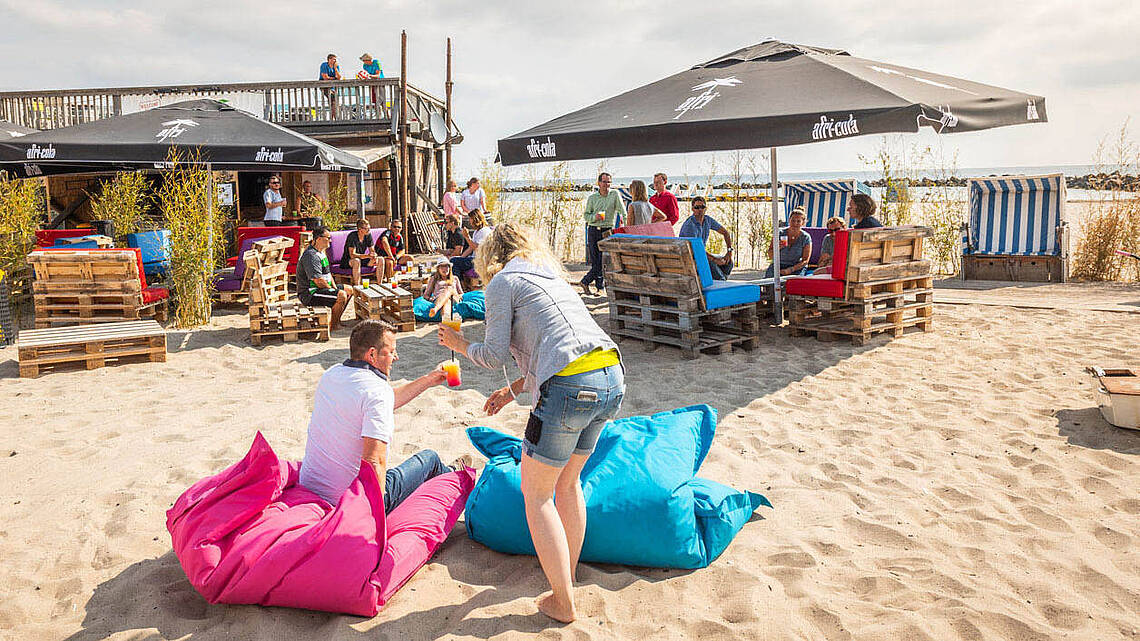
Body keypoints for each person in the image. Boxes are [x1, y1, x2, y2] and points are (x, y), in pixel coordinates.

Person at [439, 222, 624, 623]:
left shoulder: (502, 282)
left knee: (536, 495)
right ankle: (566, 576)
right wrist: (512, 392)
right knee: (568, 483)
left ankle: (563, 601)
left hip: (569, 386)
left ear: (489, 255)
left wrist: (457, 344)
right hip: (610, 376)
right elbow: (562, 347)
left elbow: (492, 355)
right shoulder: (550, 277)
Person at [299, 320, 468, 511]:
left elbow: (381, 401)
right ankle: (455, 475)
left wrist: (428, 380)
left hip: (310, 487)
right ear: (372, 354)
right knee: (430, 459)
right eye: (391, 351)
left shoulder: (332, 374)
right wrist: (374, 521)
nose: (396, 357)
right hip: (349, 502)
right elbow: (374, 461)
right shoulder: (378, 392)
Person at [578, 172, 623, 296]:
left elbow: (622, 211)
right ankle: (599, 287)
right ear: (599, 183)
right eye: (604, 181)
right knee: (596, 261)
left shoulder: (615, 194)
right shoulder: (592, 198)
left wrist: (627, 224)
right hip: (593, 230)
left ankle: (586, 282)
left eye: (609, 182)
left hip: (607, 231)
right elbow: (586, 216)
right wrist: (595, 217)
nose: (606, 184)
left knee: (603, 262)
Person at [297, 226, 349, 330]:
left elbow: (328, 275)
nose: (330, 240)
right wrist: (336, 291)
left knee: (349, 290)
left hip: (320, 288)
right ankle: (334, 326)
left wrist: (335, 289)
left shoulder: (321, 252)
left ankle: (336, 319)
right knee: (341, 295)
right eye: (328, 238)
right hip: (309, 293)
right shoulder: (311, 256)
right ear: (319, 239)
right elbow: (318, 281)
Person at [678, 196, 734, 280]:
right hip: (690, 257)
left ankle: (720, 281)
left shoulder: (707, 220)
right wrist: (715, 260)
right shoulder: (690, 226)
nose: (700, 210)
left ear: (705, 208)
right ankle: (720, 280)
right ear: (692, 209)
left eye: (702, 207)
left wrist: (729, 252)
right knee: (712, 264)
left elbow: (725, 233)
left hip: (701, 255)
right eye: (697, 207)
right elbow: (696, 250)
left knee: (728, 262)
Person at [765, 207, 812, 278]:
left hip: (796, 267)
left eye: (798, 221)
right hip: (778, 265)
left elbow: (805, 261)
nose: (795, 223)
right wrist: (777, 248)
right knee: (769, 282)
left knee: (794, 284)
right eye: (793, 220)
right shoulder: (779, 233)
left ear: (803, 223)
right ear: (789, 220)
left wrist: (790, 270)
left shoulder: (805, 237)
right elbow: (770, 255)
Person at [341, 218, 377, 286]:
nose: (369, 230)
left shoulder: (368, 235)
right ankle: (358, 286)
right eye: (366, 229)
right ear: (360, 229)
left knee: (380, 260)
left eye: (369, 228)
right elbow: (352, 255)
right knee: (356, 261)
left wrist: (374, 255)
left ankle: (379, 283)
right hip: (348, 261)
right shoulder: (352, 236)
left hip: (362, 259)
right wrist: (367, 256)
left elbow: (372, 250)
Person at [319, 53, 342, 118]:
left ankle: (333, 118)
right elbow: (325, 77)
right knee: (333, 99)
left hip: (333, 87)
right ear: (329, 59)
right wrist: (335, 78)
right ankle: (334, 118)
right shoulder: (324, 65)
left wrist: (335, 69)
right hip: (324, 86)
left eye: (335, 60)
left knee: (334, 101)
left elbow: (339, 77)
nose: (334, 61)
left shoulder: (336, 66)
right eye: (333, 59)